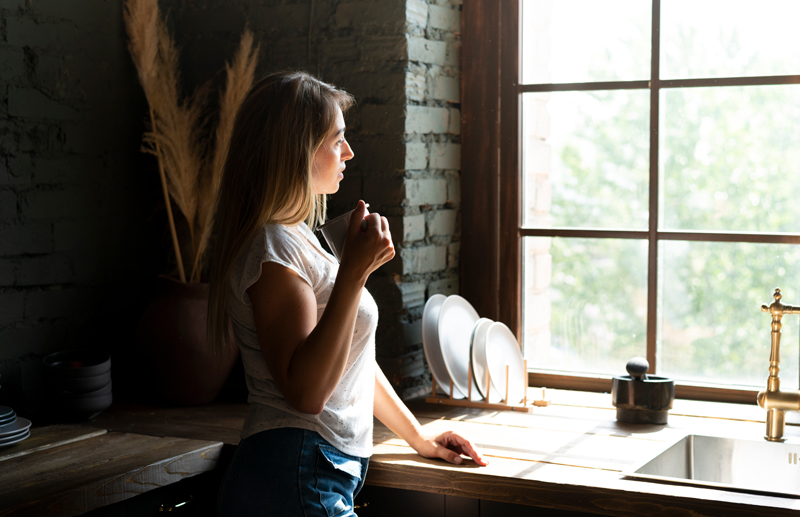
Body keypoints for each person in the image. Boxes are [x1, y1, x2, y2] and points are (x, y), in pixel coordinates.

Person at [208, 71, 487, 516]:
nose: (349, 152)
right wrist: (353, 274)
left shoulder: (296, 239)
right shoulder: (273, 251)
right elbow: (306, 393)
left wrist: (418, 436)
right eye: (337, 139)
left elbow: (350, 359)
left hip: (313, 472)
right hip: (295, 473)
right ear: (298, 151)